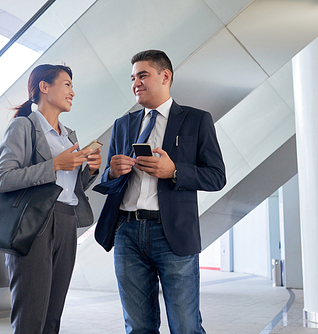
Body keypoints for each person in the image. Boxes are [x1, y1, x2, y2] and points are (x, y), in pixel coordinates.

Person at [93, 50, 226, 334]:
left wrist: (174, 170)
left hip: (172, 233)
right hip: (127, 232)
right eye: (132, 78)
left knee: (186, 327)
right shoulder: (123, 124)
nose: (135, 83)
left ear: (165, 76)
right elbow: (106, 180)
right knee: (138, 327)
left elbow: (217, 177)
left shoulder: (196, 120)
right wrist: (113, 171)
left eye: (143, 75)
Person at [0, 64, 102, 334]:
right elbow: (3, 179)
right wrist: (54, 164)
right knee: (31, 317)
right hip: (35, 224)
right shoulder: (23, 126)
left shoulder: (68, 137)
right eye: (67, 84)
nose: (72, 92)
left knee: (53, 316)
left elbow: (70, 186)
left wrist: (90, 170)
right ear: (44, 87)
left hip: (67, 221)